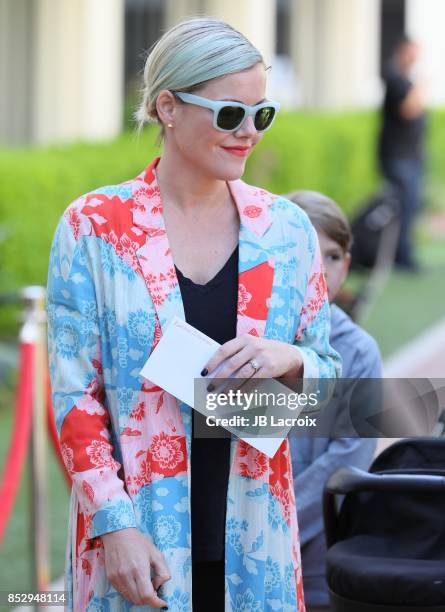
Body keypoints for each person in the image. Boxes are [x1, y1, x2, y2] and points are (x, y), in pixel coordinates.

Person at [47, 18, 341, 611]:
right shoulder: (95, 227)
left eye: (264, 114)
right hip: (137, 545)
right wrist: (114, 525)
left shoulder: (286, 231)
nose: (250, 133)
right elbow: (75, 397)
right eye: (231, 114)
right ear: (168, 108)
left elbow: (329, 378)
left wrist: (294, 358)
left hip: (258, 541)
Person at [286, 191, 381, 612]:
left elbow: (347, 462)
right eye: (306, 252)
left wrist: (273, 523)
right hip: (232, 558)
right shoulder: (242, 339)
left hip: (316, 568)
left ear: (346, 264)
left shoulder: (357, 351)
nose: (320, 270)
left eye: (333, 255)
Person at [378, 35, 427, 271]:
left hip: (410, 155)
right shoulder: (394, 76)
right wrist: (422, 87)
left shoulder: (404, 78)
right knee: (404, 206)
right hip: (398, 156)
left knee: (411, 205)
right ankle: (401, 257)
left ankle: (404, 253)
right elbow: (408, 108)